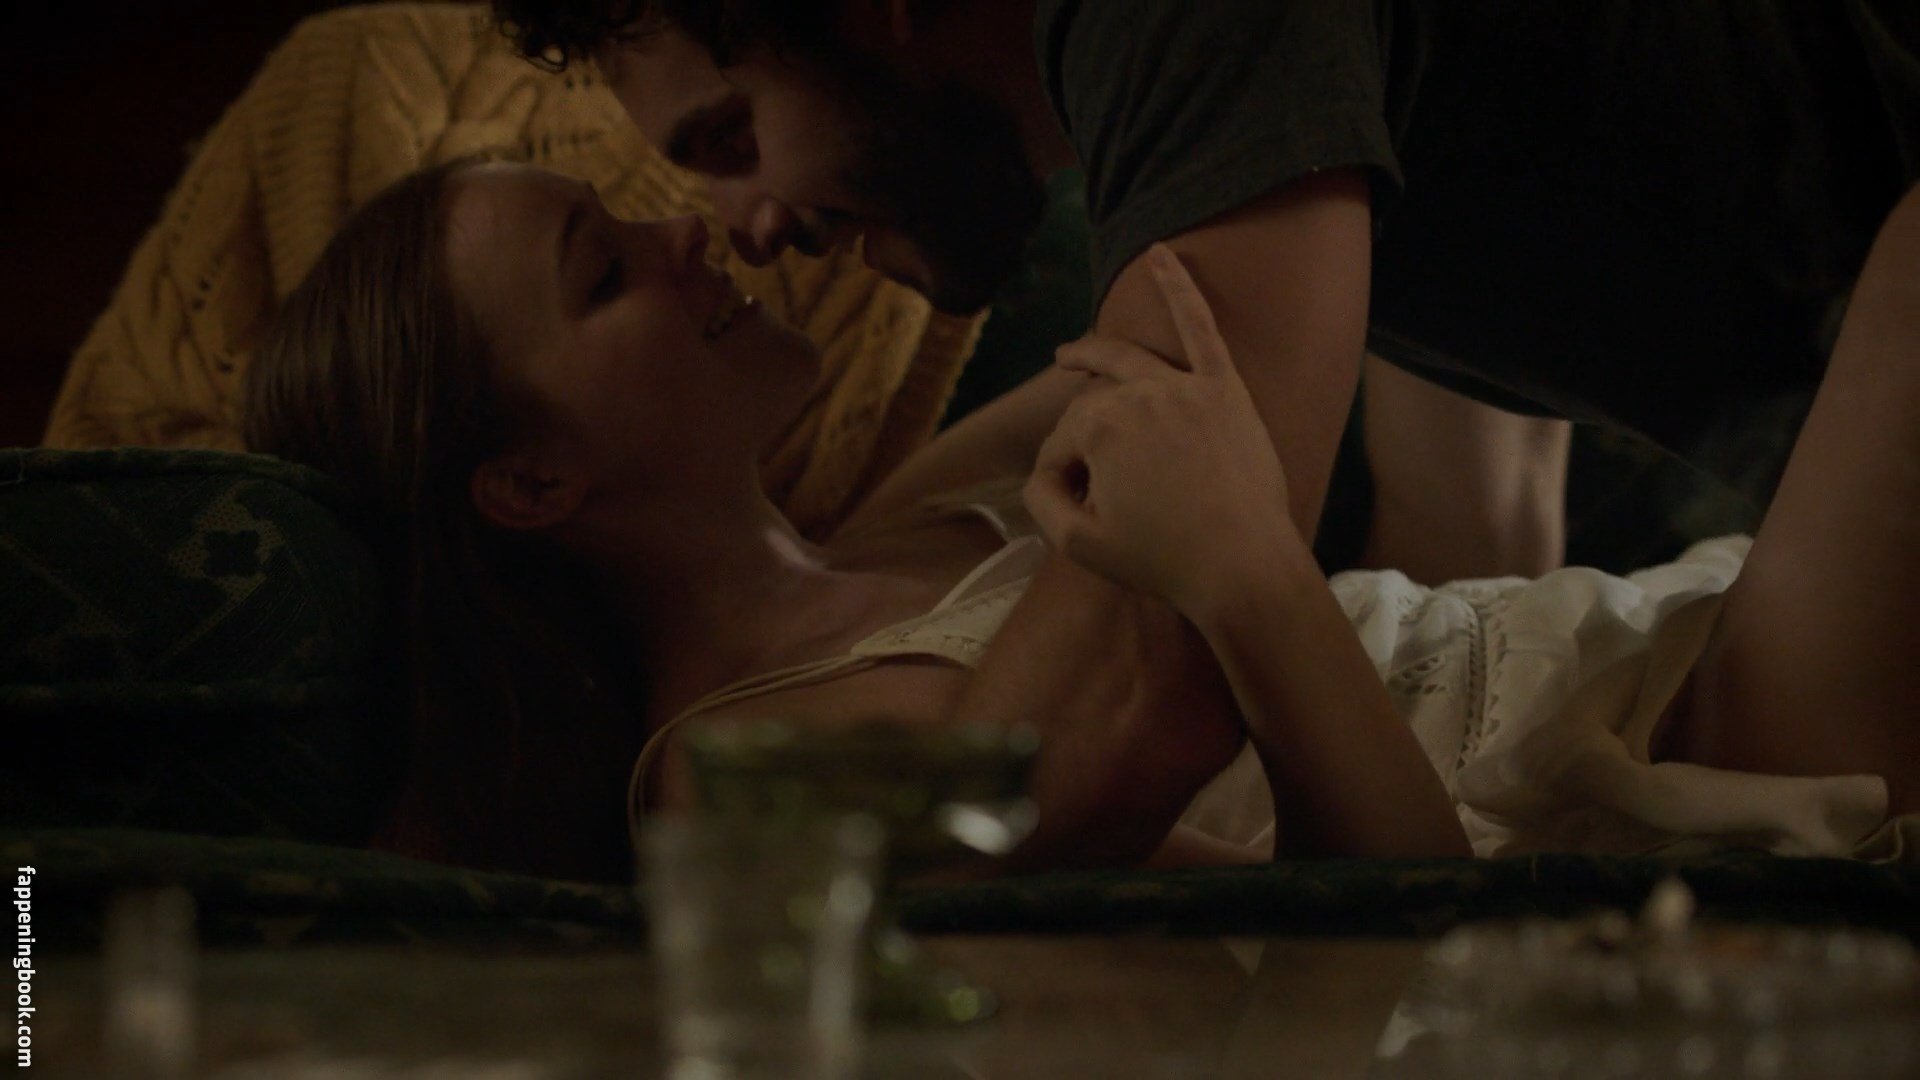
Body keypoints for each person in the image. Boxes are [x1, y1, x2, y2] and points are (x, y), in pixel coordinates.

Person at [246, 159, 1913, 884]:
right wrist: (1247, 575)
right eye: (603, 273)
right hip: (1661, 792)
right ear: (531, 483)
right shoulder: (736, 775)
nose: (686, 234)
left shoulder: (905, 517)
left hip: (1641, 634)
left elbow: (1208, 292)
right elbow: (1374, 949)